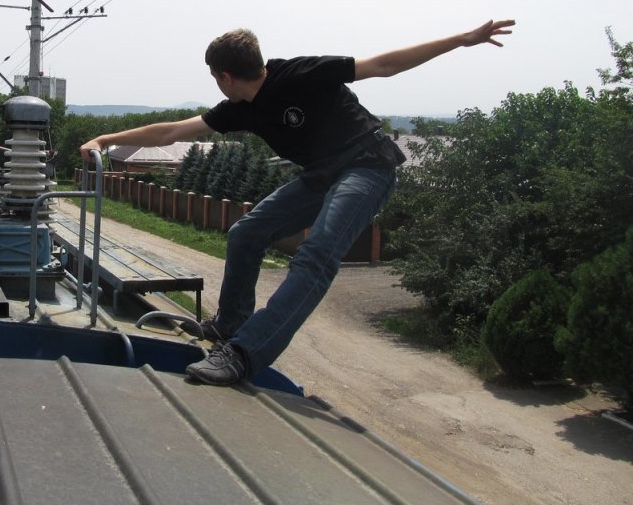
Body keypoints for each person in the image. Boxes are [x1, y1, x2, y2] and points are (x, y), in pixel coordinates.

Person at [80, 20, 515, 386]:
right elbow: (170, 132)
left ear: (224, 76)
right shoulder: (240, 108)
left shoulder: (301, 73)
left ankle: (244, 355)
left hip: (368, 166)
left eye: (215, 77)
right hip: (321, 176)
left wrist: (460, 40)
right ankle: (229, 325)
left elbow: (383, 65)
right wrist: (106, 138)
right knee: (246, 232)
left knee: (316, 256)